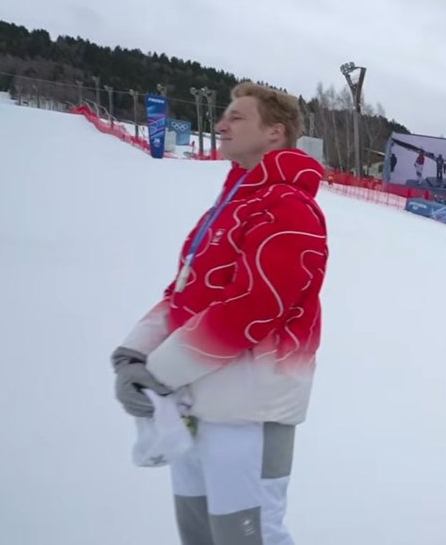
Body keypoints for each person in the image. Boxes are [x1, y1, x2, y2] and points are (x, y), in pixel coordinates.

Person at [110, 81, 330, 545]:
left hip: (250, 410)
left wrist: (161, 370)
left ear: (275, 133)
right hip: (197, 402)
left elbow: (255, 308)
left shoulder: (290, 207)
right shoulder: (232, 204)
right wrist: (134, 354)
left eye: (236, 116)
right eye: (224, 115)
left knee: (250, 537)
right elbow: (186, 292)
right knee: (199, 532)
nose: (221, 124)